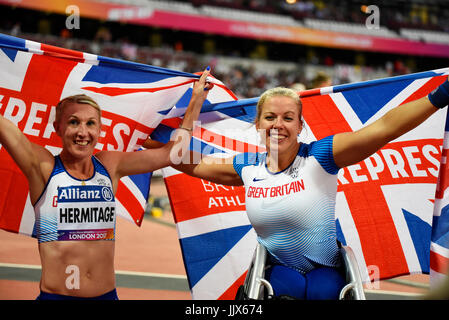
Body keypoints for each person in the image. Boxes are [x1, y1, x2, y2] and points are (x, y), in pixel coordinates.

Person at [151, 77, 449, 299]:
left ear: (300, 125)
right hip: (278, 274)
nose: (278, 124)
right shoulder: (247, 167)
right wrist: (194, 105)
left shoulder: (321, 155)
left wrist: (438, 97)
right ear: (257, 123)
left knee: (321, 293)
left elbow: (384, 127)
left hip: (328, 273)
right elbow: (180, 158)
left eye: (287, 118)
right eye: (270, 117)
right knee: (285, 292)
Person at [0, 67, 213, 300]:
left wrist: (195, 101)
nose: (83, 132)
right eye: (73, 122)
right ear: (57, 129)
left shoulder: (109, 165)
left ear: (100, 130)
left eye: (91, 124)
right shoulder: (44, 168)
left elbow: (173, 154)